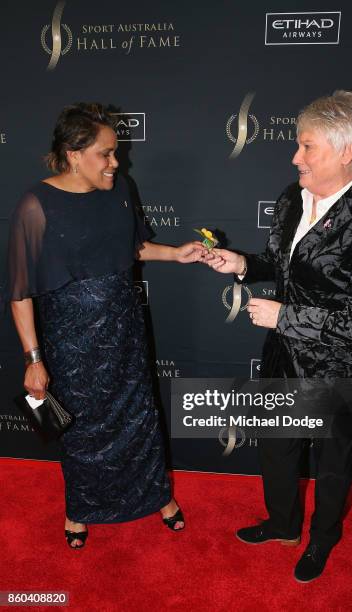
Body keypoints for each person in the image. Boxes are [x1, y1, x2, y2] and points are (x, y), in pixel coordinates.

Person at [204, 91, 352, 582]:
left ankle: (321, 541)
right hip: (282, 360)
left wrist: (287, 317)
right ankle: (283, 524)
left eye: (307, 147)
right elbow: (283, 265)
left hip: (341, 371)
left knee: (334, 463)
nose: (295, 157)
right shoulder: (292, 197)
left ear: (345, 152)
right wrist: (245, 265)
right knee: (276, 446)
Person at [5, 103, 206, 548]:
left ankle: (159, 498)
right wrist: (33, 360)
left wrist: (176, 253)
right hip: (71, 339)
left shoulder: (120, 189)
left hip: (125, 328)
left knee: (139, 417)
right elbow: (20, 292)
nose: (117, 163)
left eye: (115, 153)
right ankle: (79, 510)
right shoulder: (35, 206)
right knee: (84, 429)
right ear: (74, 154)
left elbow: (133, 248)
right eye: (106, 154)